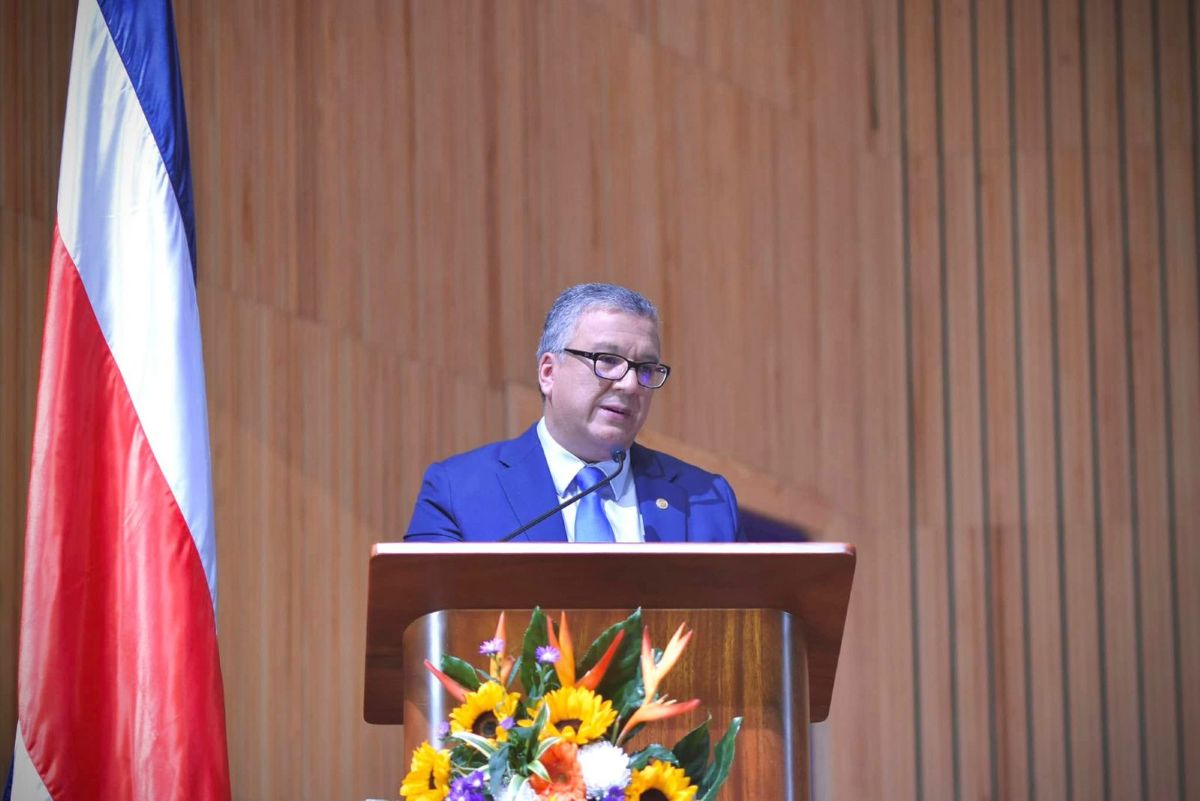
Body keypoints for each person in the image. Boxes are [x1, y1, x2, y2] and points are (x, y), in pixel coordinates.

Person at [405, 283, 743, 542]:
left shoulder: (707, 500)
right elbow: (424, 625)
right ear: (549, 373)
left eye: (645, 368)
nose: (630, 384)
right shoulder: (458, 491)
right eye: (607, 361)